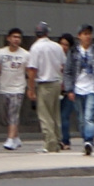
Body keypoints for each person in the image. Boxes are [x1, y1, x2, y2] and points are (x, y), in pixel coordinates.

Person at [64, 24, 94, 156]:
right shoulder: (73, 52)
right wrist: (69, 89)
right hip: (77, 89)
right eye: (84, 34)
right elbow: (67, 72)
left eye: (89, 33)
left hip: (92, 89)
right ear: (79, 36)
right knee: (81, 119)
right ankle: (85, 141)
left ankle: (89, 141)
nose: (88, 36)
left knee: (89, 117)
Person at [26, 22, 66, 153]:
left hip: (44, 84)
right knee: (55, 114)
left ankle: (49, 143)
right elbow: (63, 66)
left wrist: (31, 89)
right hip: (56, 83)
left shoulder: (35, 48)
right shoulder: (57, 47)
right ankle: (58, 140)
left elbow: (32, 71)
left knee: (44, 115)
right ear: (47, 33)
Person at [0, 27, 30, 150]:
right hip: (4, 87)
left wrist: (30, 87)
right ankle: (16, 137)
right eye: (14, 37)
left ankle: (10, 138)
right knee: (6, 114)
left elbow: (29, 72)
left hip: (18, 88)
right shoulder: (1, 53)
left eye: (18, 37)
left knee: (14, 113)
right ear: (8, 38)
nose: (16, 39)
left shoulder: (25, 54)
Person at [57, 33, 76, 150]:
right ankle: (58, 139)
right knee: (56, 116)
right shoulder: (55, 56)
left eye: (66, 45)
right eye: (62, 44)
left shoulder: (73, 58)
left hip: (69, 91)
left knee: (64, 116)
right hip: (56, 90)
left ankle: (65, 140)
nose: (63, 47)